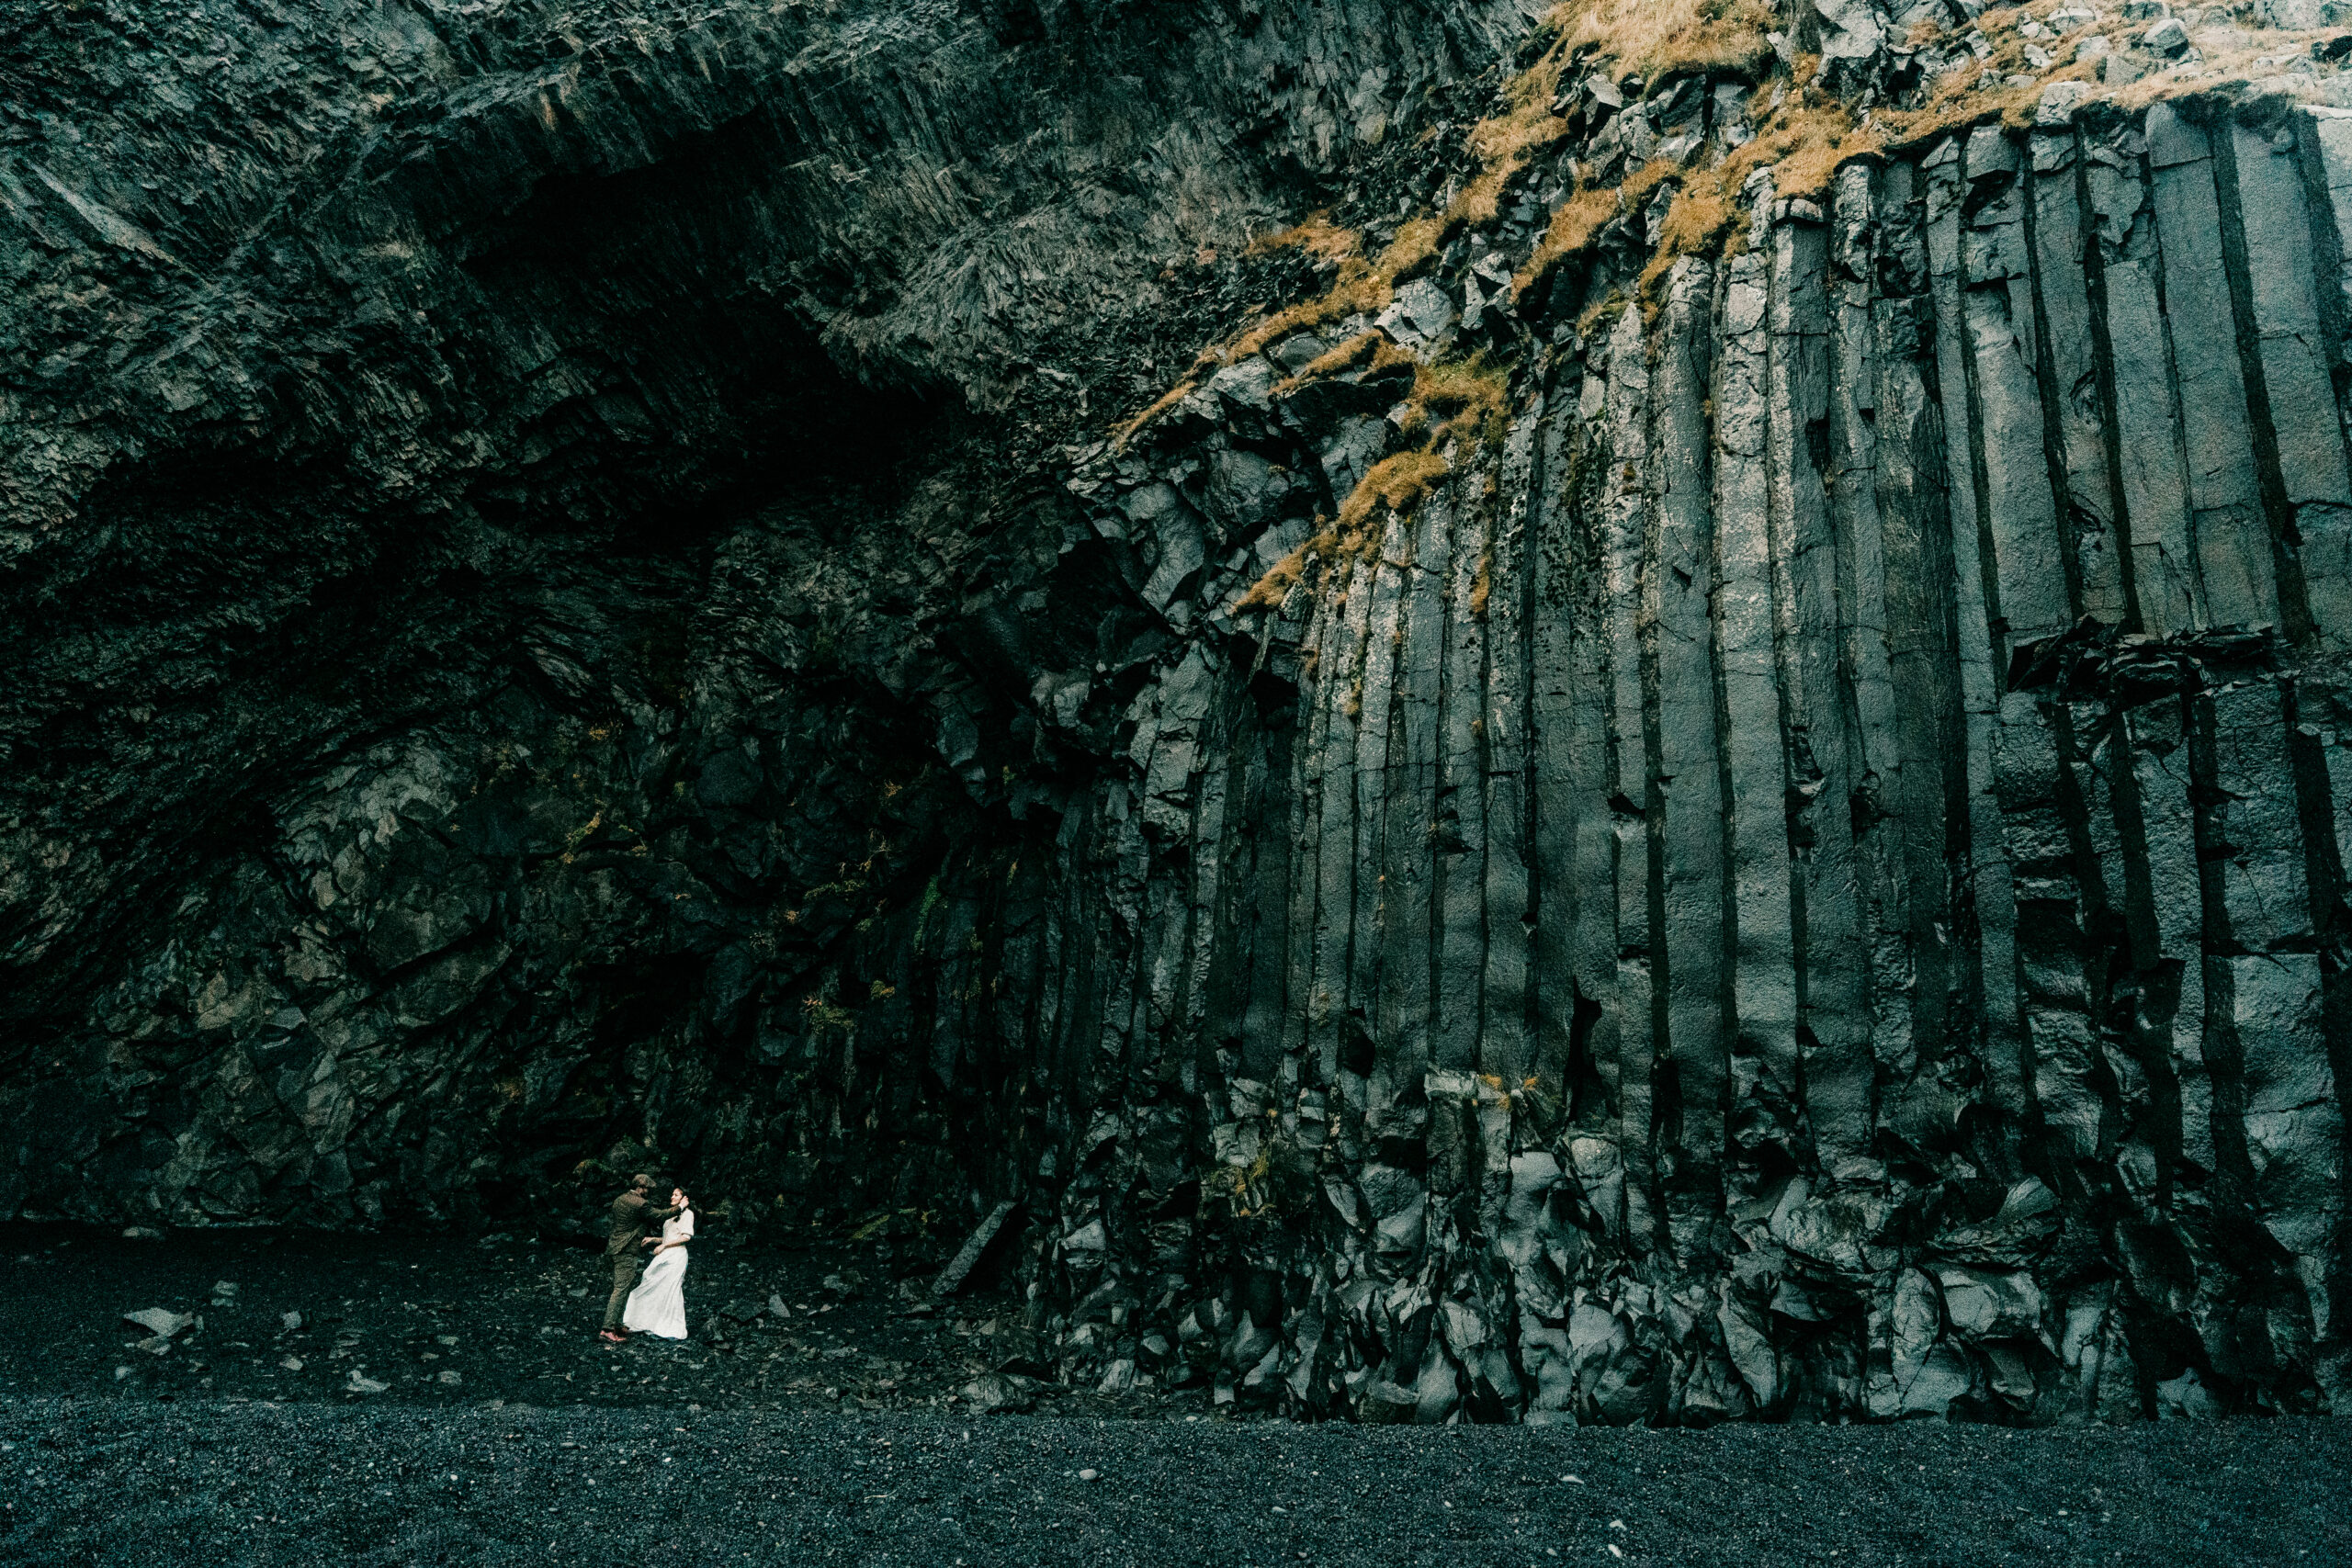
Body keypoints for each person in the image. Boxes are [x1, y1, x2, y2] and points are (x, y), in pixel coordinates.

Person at [598, 1173, 680, 1344]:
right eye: (647, 1189)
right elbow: (658, 1215)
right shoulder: (641, 1203)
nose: (649, 1192)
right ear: (640, 1187)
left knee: (623, 1288)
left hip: (614, 1247)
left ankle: (617, 1324)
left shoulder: (619, 1199)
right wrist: (680, 1208)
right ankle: (607, 1329)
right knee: (620, 1289)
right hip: (626, 1249)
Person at [622, 1185, 695, 1339]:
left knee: (670, 1289)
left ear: (684, 1199)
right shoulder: (670, 1216)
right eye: (672, 1195)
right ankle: (646, 1322)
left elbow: (686, 1237)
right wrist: (654, 1240)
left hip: (676, 1256)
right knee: (650, 1279)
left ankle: (671, 1328)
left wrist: (664, 1245)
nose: (672, 1197)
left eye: (676, 1195)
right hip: (666, 1253)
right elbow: (670, 1237)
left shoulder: (688, 1214)